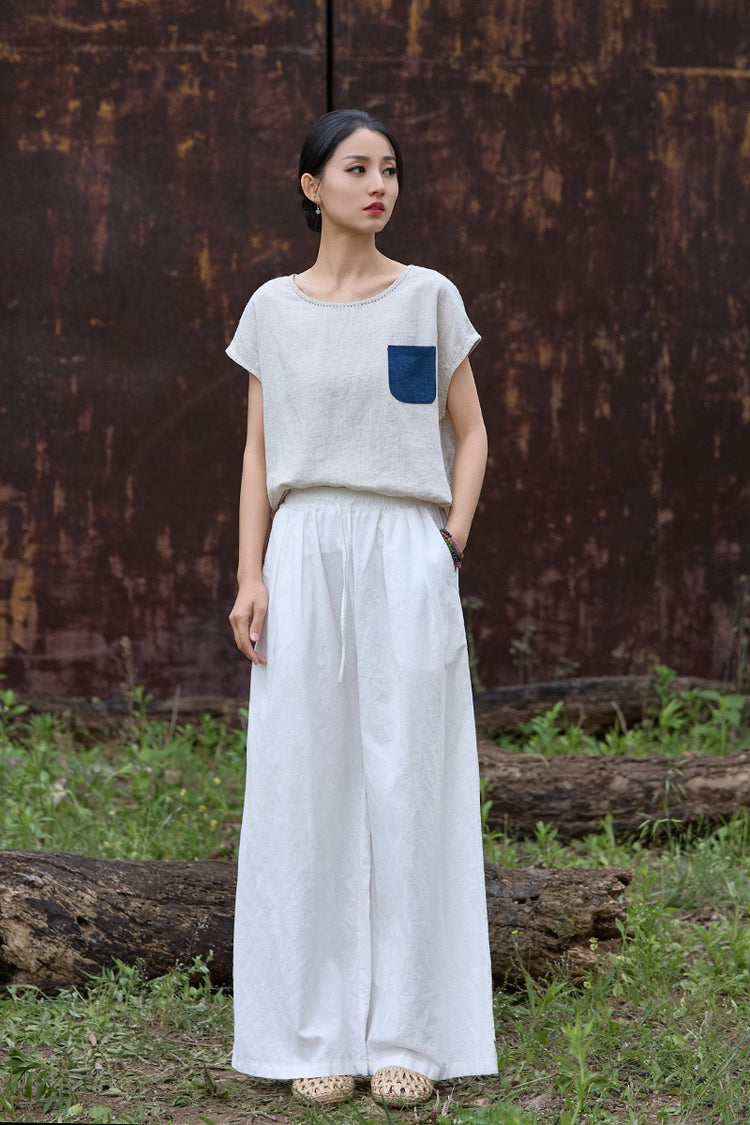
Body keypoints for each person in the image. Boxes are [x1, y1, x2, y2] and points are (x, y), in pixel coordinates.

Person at [226, 108, 497, 1108]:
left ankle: (410, 1033)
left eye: (389, 169)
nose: (378, 185)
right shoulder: (272, 309)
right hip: (303, 548)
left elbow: (470, 433)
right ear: (312, 186)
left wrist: (450, 539)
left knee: (410, 779)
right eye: (356, 168)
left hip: (406, 550)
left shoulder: (428, 297)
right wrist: (251, 573)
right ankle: (317, 1031)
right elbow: (258, 450)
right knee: (305, 781)